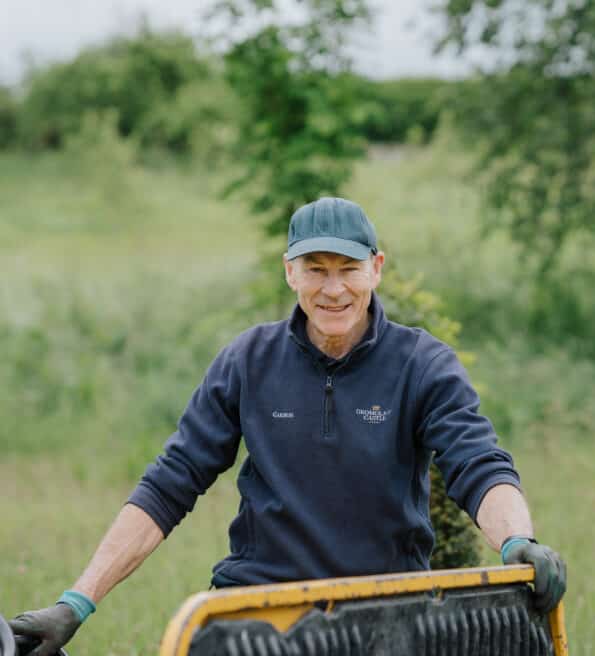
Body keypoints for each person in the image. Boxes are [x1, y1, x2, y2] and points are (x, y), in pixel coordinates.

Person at [10, 197, 566, 655]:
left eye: (348, 269)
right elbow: (169, 484)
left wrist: (518, 541)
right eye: (315, 270)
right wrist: (74, 603)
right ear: (289, 272)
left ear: (376, 267)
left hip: (385, 612)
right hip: (253, 613)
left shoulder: (422, 364)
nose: (332, 290)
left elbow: (478, 463)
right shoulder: (247, 361)